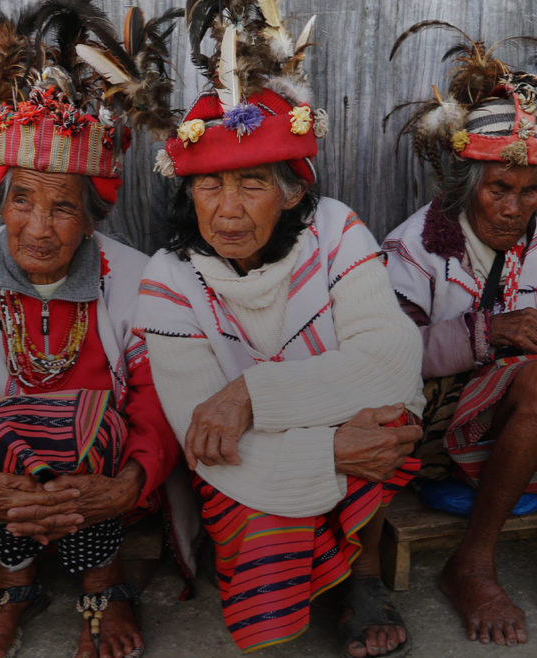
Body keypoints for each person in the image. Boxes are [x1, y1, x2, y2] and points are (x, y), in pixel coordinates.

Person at [0, 4, 181, 658]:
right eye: (22, 199)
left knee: (95, 426)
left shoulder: (137, 283)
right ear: (1, 200)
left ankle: (102, 578)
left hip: (101, 484)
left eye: (63, 206)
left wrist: (129, 482)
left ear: (93, 217)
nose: (39, 227)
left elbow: (156, 407)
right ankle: (13, 578)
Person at [137, 4, 425, 657]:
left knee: (388, 419)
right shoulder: (169, 280)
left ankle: (363, 577)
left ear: (292, 192)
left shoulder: (336, 232)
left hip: (303, 425)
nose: (229, 209)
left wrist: (251, 396)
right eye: (210, 185)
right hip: (254, 459)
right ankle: (292, 574)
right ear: (189, 194)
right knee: (261, 479)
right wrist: (326, 448)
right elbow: (203, 438)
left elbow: (392, 360)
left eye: (253, 183)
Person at [383, 22, 537, 647]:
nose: (514, 207)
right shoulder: (416, 248)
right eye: (499, 189)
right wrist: (488, 332)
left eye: (529, 191)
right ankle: (473, 563)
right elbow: (387, 355)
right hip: (445, 432)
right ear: (467, 187)